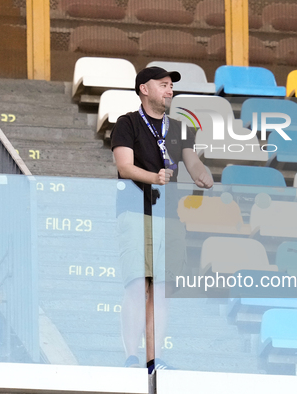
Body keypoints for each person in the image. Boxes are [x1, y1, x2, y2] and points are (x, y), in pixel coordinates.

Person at [110, 66, 213, 372]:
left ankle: (154, 359)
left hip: (170, 216)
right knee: (136, 286)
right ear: (144, 88)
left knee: (162, 290)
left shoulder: (180, 128)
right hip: (134, 210)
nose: (170, 90)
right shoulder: (126, 123)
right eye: (164, 85)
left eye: (171, 86)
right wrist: (154, 177)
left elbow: (192, 163)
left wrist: (203, 175)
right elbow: (125, 167)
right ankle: (131, 357)